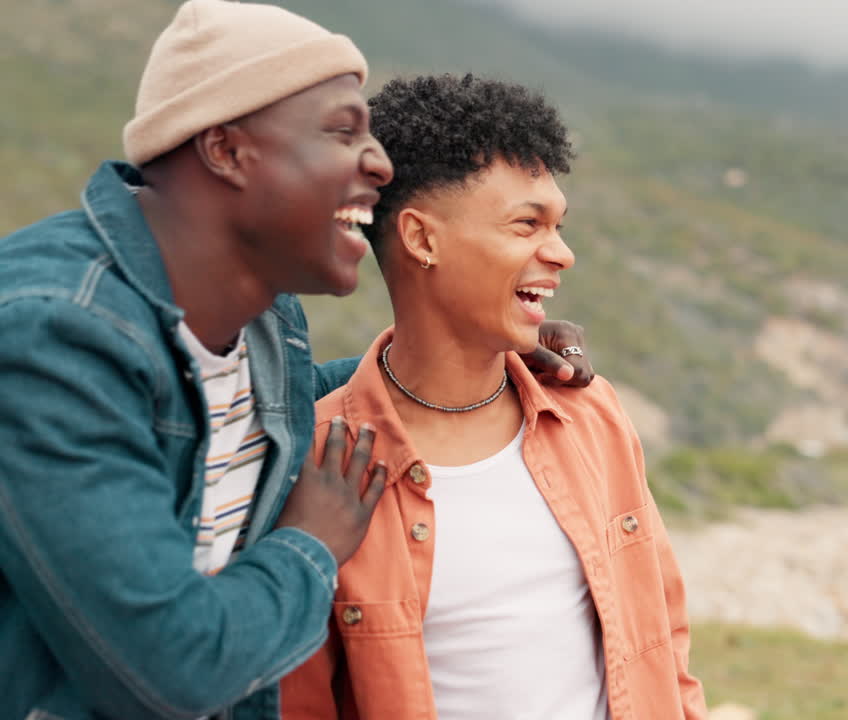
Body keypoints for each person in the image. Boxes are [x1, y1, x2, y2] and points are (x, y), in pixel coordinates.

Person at [0, 3, 591, 719]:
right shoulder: (53, 336)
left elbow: (282, 404)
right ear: (226, 150)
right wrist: (310, 542)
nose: (378, 162)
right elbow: (170, 671)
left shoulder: (263, 323)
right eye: (343, 132)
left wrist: (483, 349)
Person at [280, 73, 707, 720]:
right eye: (526, 224)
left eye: (557, 224)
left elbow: (665, 648)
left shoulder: (591, 415)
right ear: (423, 239)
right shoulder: (320, 461)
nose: (561, 253)